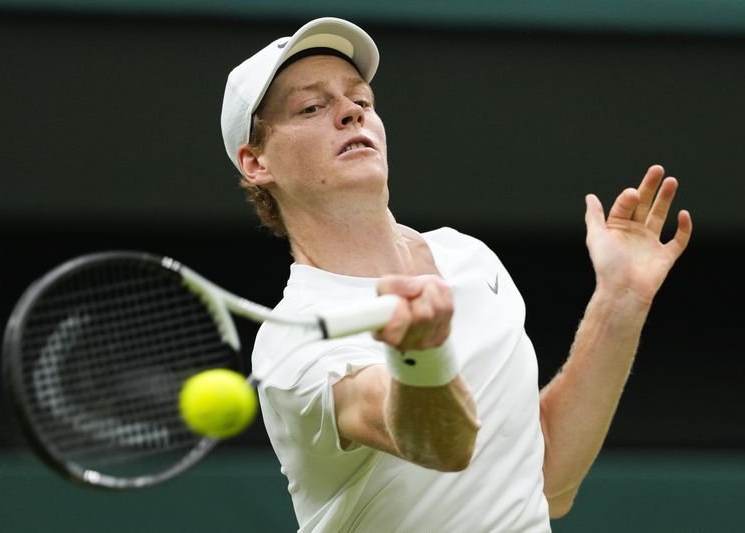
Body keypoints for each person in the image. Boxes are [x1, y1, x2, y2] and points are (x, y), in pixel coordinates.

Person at [220, 17, 692, 532]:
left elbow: (548, 479)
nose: (351, 112)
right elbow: (442, 446)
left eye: (362, 100)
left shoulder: (469, 258)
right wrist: (421, 355)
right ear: (255, 162)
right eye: (312, 107)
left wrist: (620, 300)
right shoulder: (293, 342)